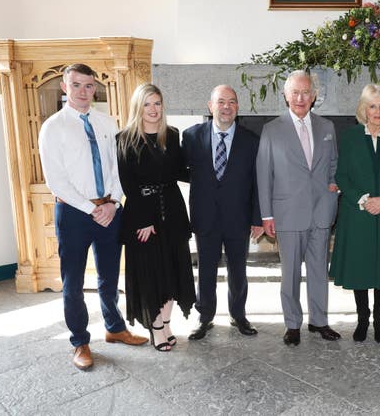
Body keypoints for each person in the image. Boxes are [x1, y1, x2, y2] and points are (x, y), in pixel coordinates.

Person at [38, 64, 147, 371]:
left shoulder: (106, 121)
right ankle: (80, 341)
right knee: (72, 282)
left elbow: (116, 167)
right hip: (73, 214)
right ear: (64, 86)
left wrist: (113, 202)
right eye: (76, 85)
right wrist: (92, 209)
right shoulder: (53, 127)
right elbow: (56, 182)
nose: (83, 91)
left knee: (109, 277)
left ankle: (114, 327)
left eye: (88, 86)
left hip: (110, 210)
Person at [256, 70, 340, 346]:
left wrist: (333, 185)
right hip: (287, 213)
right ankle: (292, 324)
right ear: (286, 95)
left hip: (320, 211)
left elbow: (333, 164)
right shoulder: (271, 130)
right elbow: (264, 174)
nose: (301, 98)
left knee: (319, 270)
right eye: (295, 92)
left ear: (314, 96)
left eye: (306, 92)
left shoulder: (327, 127)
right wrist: (266, 214)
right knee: (289, 273)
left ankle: (319, 321)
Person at [116, 83, 196, 352]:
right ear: (139, 107)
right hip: (143, 216)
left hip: (172, 211)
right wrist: (143, 220)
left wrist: (214, 174)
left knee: (173, 269)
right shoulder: (125, 138)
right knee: (152, 272)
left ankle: (167, 322)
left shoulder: (171, 135)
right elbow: (128, 184)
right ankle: (156, 327)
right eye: (147, 104)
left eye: (157, 103)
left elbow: (181, 171)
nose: (153, 109)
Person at [329, 84, 380, 343]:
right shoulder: (351, 136)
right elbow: (342, 175)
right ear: (363, 109)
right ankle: (362, 319)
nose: (378, 111)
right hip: (358, 213)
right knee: (360, 267)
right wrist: (364, 200)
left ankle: (379, 320)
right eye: (372, 106)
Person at [182, 85, 264, 340]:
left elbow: (257, 181)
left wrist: (257, 218)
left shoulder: (251, 141)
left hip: (238, 218)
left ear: (237, 107)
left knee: (238, 269)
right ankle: (204, 316)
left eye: (232, 102)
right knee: (206, 269)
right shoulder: (191, 136)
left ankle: (238, 314)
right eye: (221, 102)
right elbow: (183, 171)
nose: (226, 107)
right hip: (205, 216)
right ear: (210, 106)